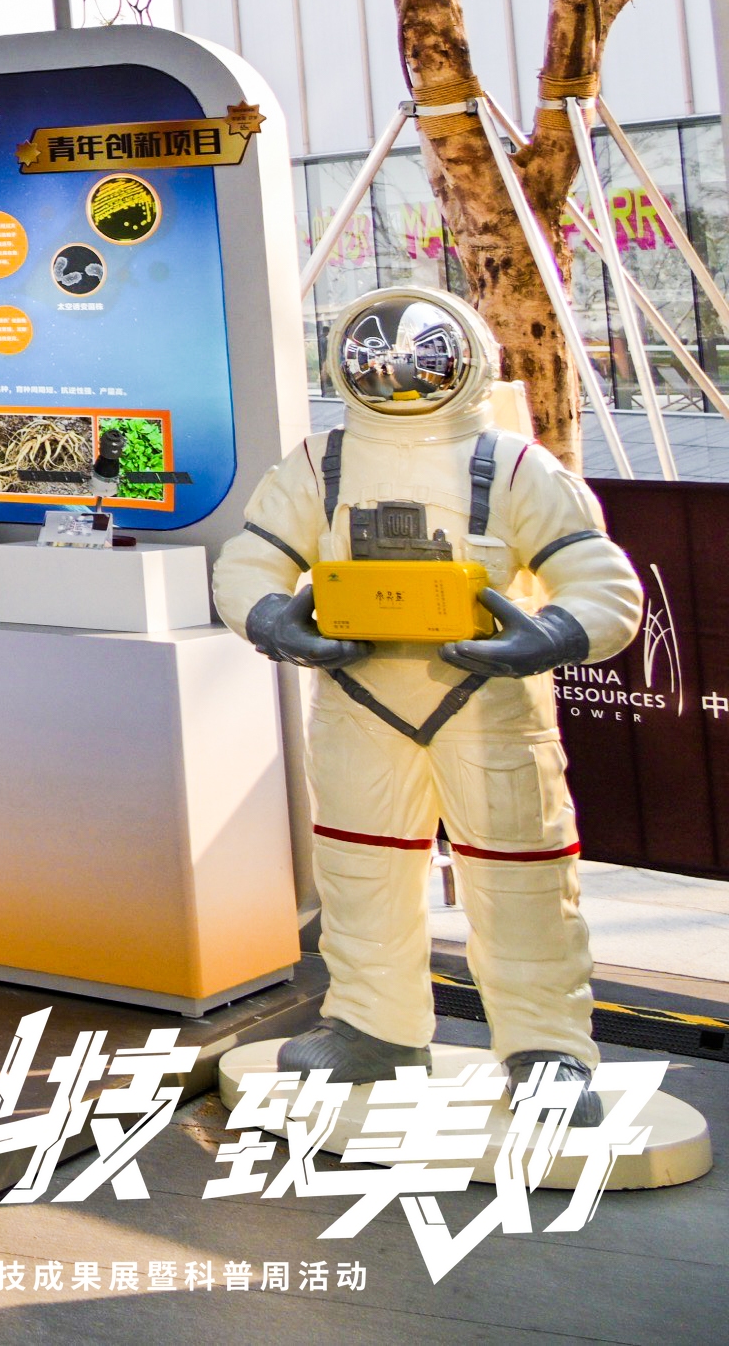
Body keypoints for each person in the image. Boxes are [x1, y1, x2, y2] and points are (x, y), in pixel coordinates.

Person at [214, 285, 639, 1110]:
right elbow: (251, 560)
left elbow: (602, 582)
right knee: (359, 872)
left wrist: (552, 635)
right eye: (379, 356)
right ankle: (373, 1026)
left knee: (523, 880)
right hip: (359, 701)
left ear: (466, 358)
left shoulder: (513, 465)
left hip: (489, 705)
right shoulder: (321, 465)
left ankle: (547, 1047)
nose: (399, 371)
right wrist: (271, 618)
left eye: (420, 357)